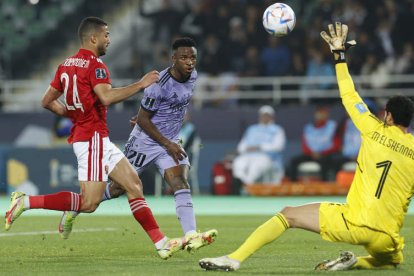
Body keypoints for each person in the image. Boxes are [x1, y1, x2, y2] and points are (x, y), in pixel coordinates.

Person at [198, 22, 414, 271]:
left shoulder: (373, 129)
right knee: (389, 262)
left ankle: (234, 258)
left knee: (288, 214)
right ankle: (357, 263)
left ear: (387, 116)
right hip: (386, 236)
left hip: (354, 222)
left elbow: (349, 94)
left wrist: (339, 55)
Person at [4, 16, 183, 260]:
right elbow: (106, 97)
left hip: (95, 137)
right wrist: (140, 84)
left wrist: (75, 114)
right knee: (89, 203)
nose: (109, 40)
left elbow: (47, 101)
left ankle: (162, 243)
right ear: (93, 38)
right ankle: (26, 202)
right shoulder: (95, 65)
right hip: (92, 139)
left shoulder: (66, 64)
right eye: (106, 35)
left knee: (133, 185)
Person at [57, 37, 217, 252]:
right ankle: (74, 208)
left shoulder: (193, 77)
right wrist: (160, 136)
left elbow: (168, 109)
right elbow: (144, 119)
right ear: (173, 59)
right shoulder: (158, 85)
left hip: (169, 141)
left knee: (180, 181)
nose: (190, 62)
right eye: (184, 57)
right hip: (145, 142)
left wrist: (167, 135)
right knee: (116, 189)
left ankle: (191, 235)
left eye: (193, 58)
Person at [232, 105, 286, 186]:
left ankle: (248, 186)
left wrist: (260, 147)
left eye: (267, 115)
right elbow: (241, 147)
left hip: (267, 157)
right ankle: (244, 185)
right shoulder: (252, 129)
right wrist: (247, 148)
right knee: (238, 163)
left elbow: (278, 146)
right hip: (248, 155)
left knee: (255, 167)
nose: (265, 117)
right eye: (263, 115)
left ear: (272, 116)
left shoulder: (277, 129)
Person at [288, 105, 340, 181]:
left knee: (329, 163)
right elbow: (304, 144)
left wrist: (322, 152)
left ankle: (325, 187)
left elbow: (337, 144)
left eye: (323, 113)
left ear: (327, 114)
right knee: (294, 161)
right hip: (310, 154)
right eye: (319, 113)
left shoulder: (332, 126)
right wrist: (311, 153)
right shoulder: (309, 128)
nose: (320, 115)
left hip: (325, 155)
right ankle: (294, 186)